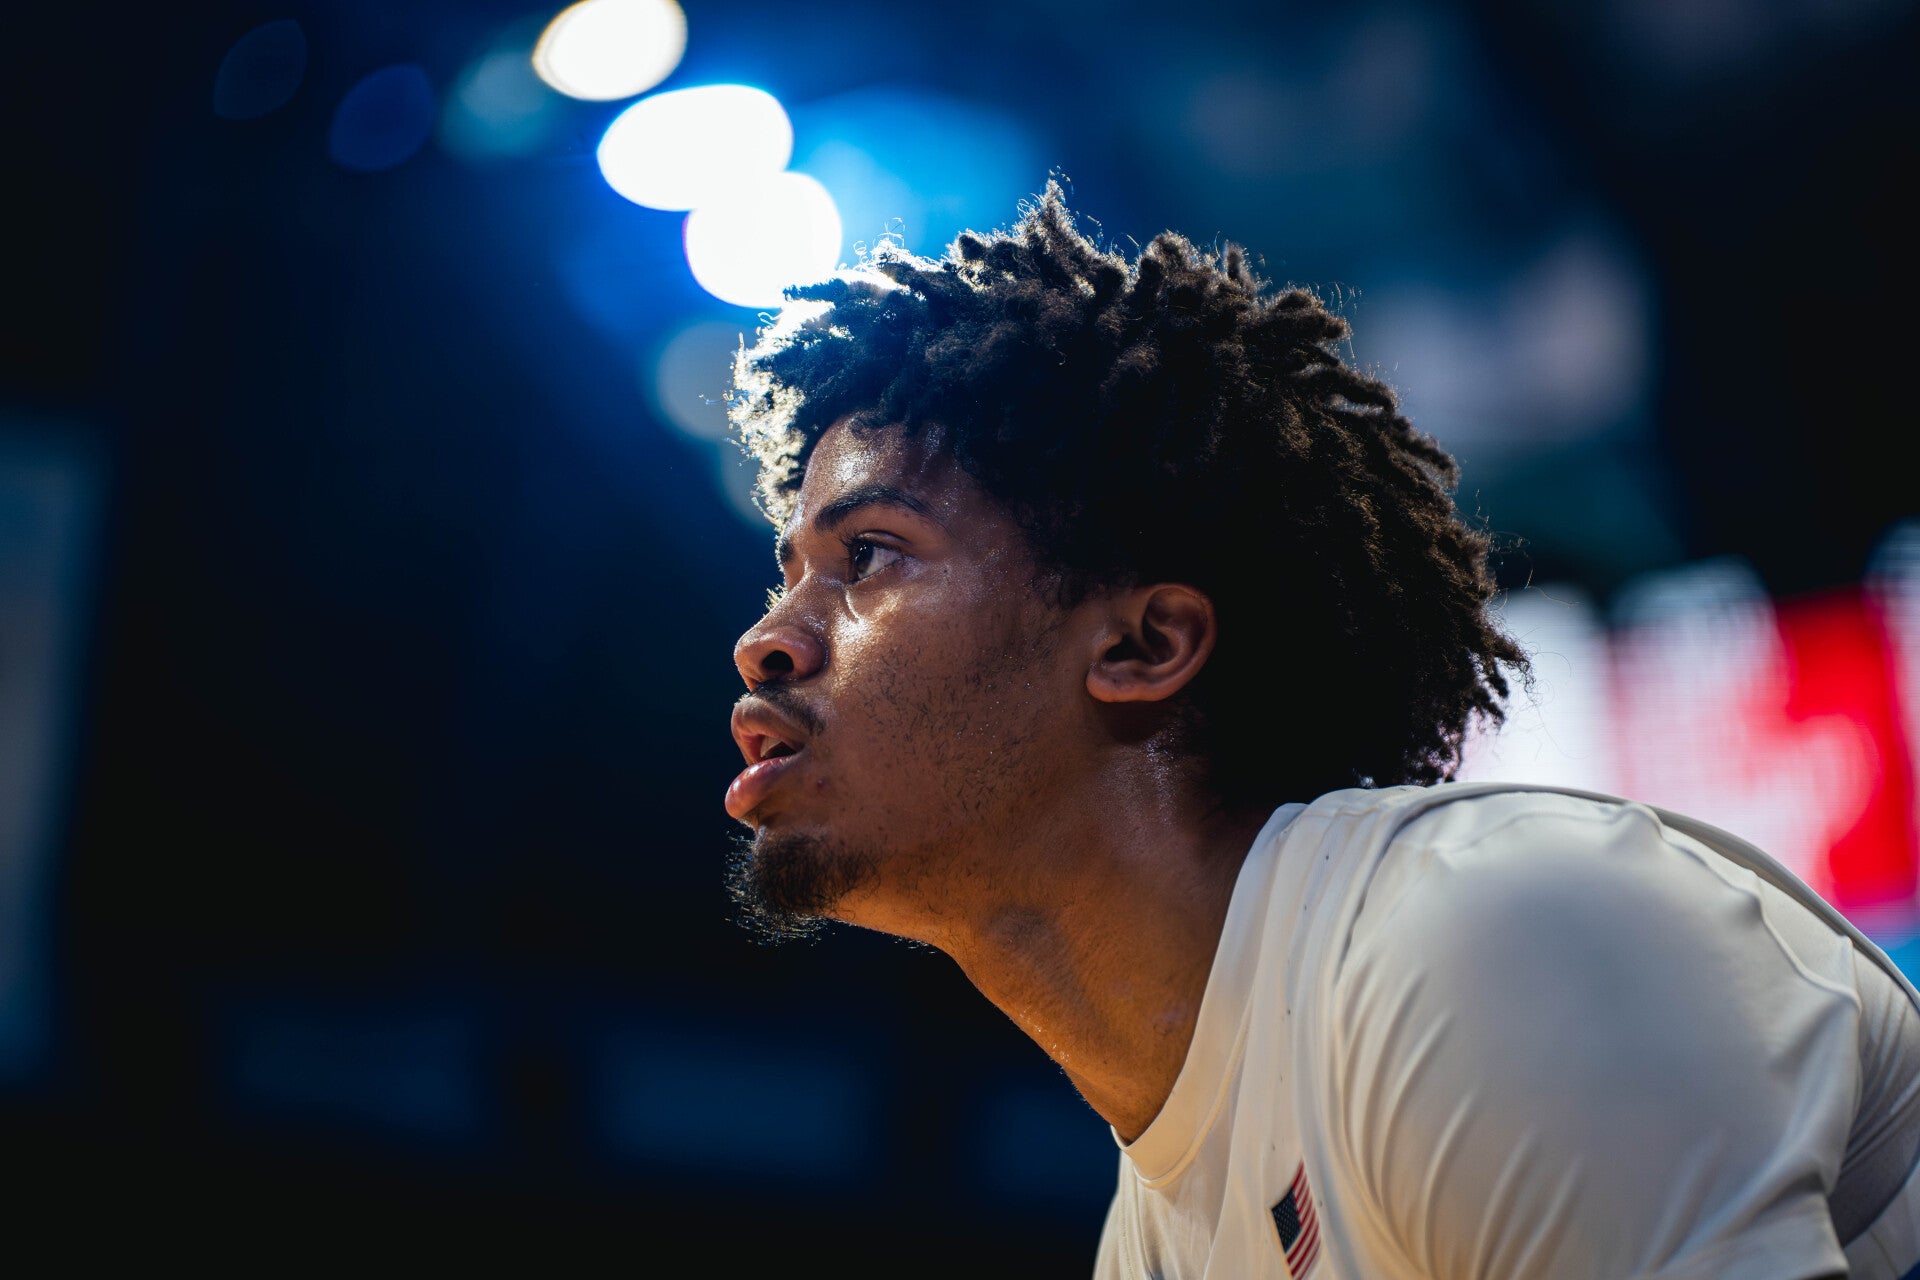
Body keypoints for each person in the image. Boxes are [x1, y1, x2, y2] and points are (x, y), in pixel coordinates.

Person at [717, 184, 1920, 1279]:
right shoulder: (1157, 1239)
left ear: (1143, 646)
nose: (767, 638)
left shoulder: (1471, 935)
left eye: (867, 555)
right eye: (789, 571)